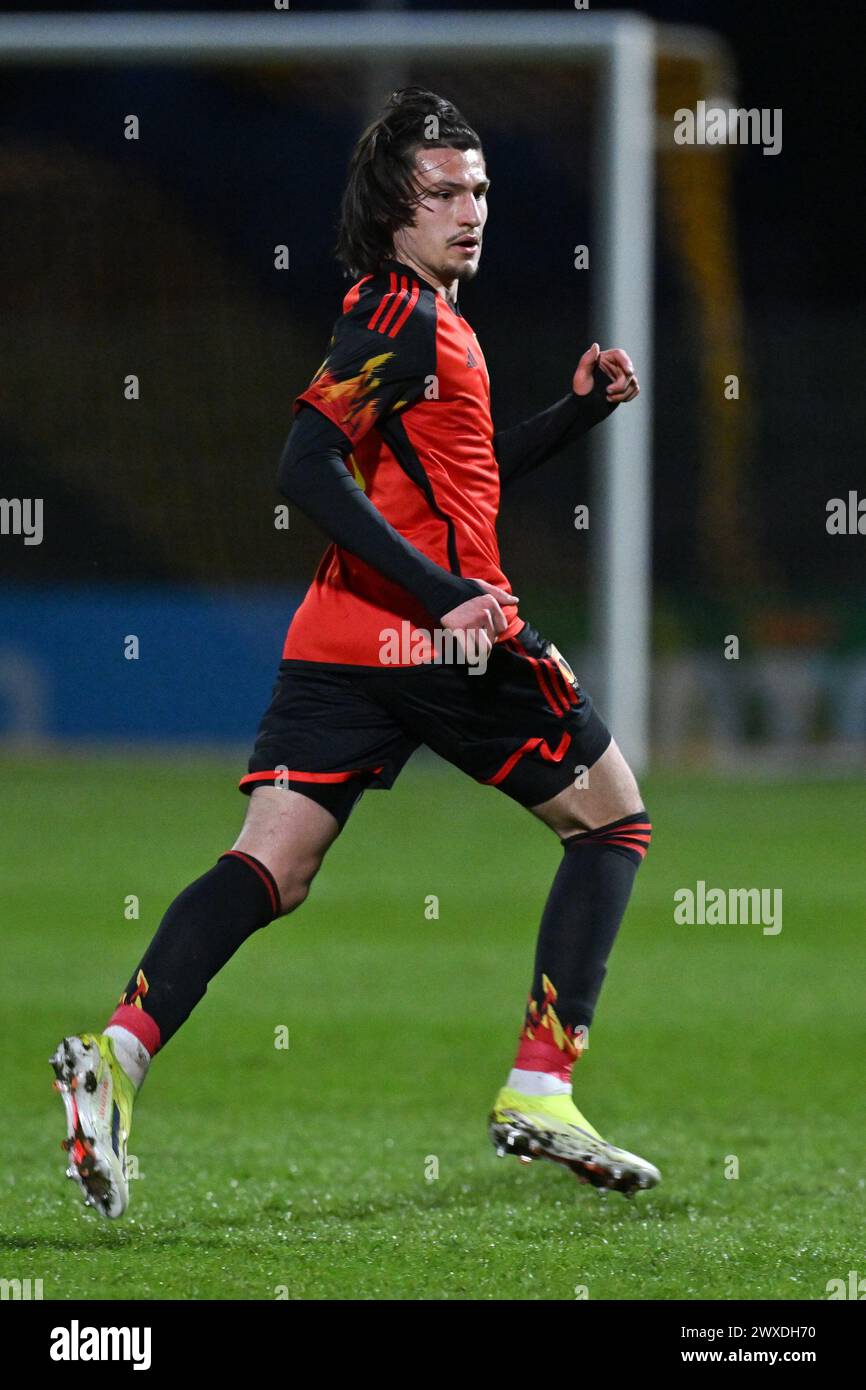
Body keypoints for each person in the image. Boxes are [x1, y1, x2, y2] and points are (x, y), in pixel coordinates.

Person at [51, 87, 658, 1218]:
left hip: (340, 636)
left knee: (269, 864)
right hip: (431, 639)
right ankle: (541, 1081)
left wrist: (570, 414)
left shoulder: (410, 313)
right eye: (443, 192)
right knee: (611, 818)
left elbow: (449, 485)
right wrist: (444, 600)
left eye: (478, 189)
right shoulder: (400, 317)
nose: (469, 210)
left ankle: (116, 1059)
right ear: (393, 206)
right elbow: (302, 467)